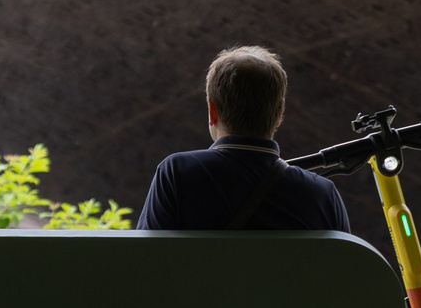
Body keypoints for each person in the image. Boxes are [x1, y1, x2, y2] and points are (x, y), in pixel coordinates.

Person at [137, 46, 354, 233]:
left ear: (213, 111)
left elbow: (146, 262)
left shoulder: (177, 174)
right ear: (279, 113)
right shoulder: (322, 195)